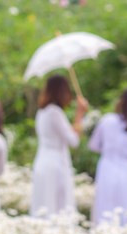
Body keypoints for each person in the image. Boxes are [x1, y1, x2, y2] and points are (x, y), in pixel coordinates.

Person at [88, 88, 127, 227]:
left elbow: (93, 145)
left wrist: (109, 151)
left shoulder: (107, 120)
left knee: (104, 206)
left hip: (106, 168)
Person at [31, 75, 88, 218]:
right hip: (55, 164)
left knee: (44, 204)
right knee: (57, 207)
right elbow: (73, 140)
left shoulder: (42, 112)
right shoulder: (54, 112)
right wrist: (80, 114)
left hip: (42, 161)